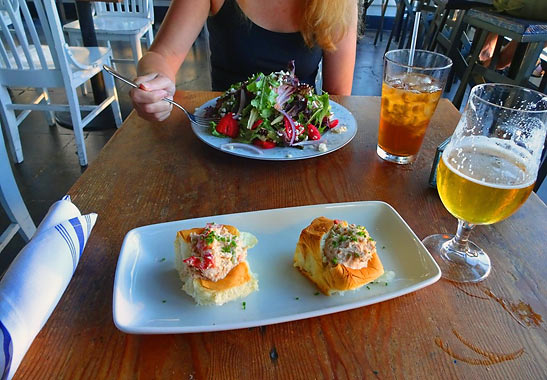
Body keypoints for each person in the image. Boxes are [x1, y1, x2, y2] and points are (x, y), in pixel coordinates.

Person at [129, 0, 358, 122]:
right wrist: (154, 84)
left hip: (303, 146)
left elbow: (339, 98)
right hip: (222, 140)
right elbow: (162, 55)